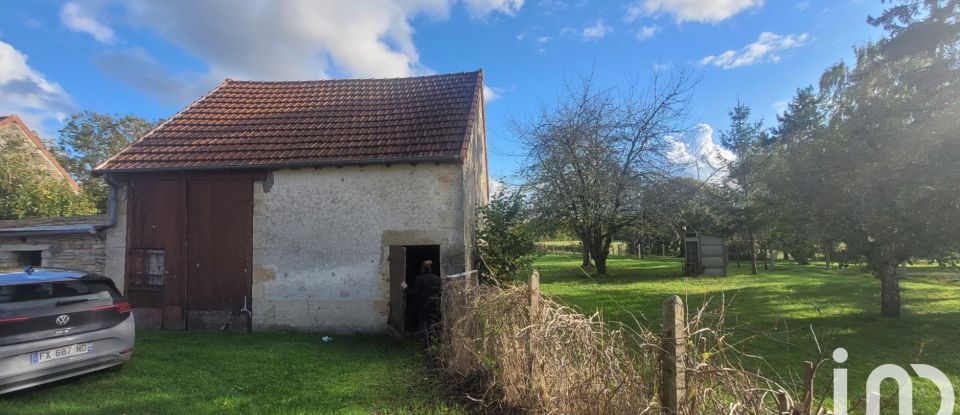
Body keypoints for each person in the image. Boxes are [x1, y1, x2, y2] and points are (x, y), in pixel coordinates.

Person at [404, 259, 442, 346]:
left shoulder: (419, 278)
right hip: (435, 303)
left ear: (422, 269)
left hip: (424, 304)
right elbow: (440, 291)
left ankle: (426, 343)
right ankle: (433, 343)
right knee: (431, 322)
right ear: (430, 269)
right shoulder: (437, 278)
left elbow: (414, 293)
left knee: (422, 322)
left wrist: (405, 288)